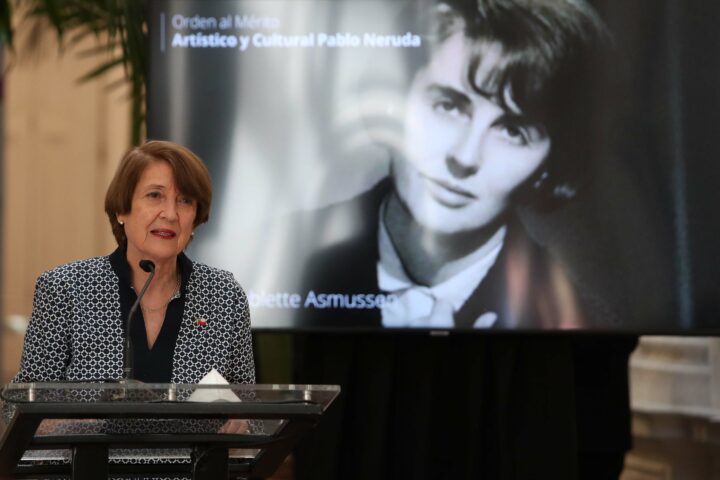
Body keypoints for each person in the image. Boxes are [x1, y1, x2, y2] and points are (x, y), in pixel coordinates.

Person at [293, 1, 637, 479]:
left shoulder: (585, 323)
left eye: (513, 130)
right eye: (449, 105)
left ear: (548, 165)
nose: (465, 156)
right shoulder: (283, 270)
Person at [13, 140, 255, 386]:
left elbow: (249, 402)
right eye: (155, 195)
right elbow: (25, 399)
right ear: (121, 209)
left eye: (185, 201)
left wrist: (240, 413)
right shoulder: (66, 290)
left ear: (196, 218)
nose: (170, 214)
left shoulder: (224, 296)